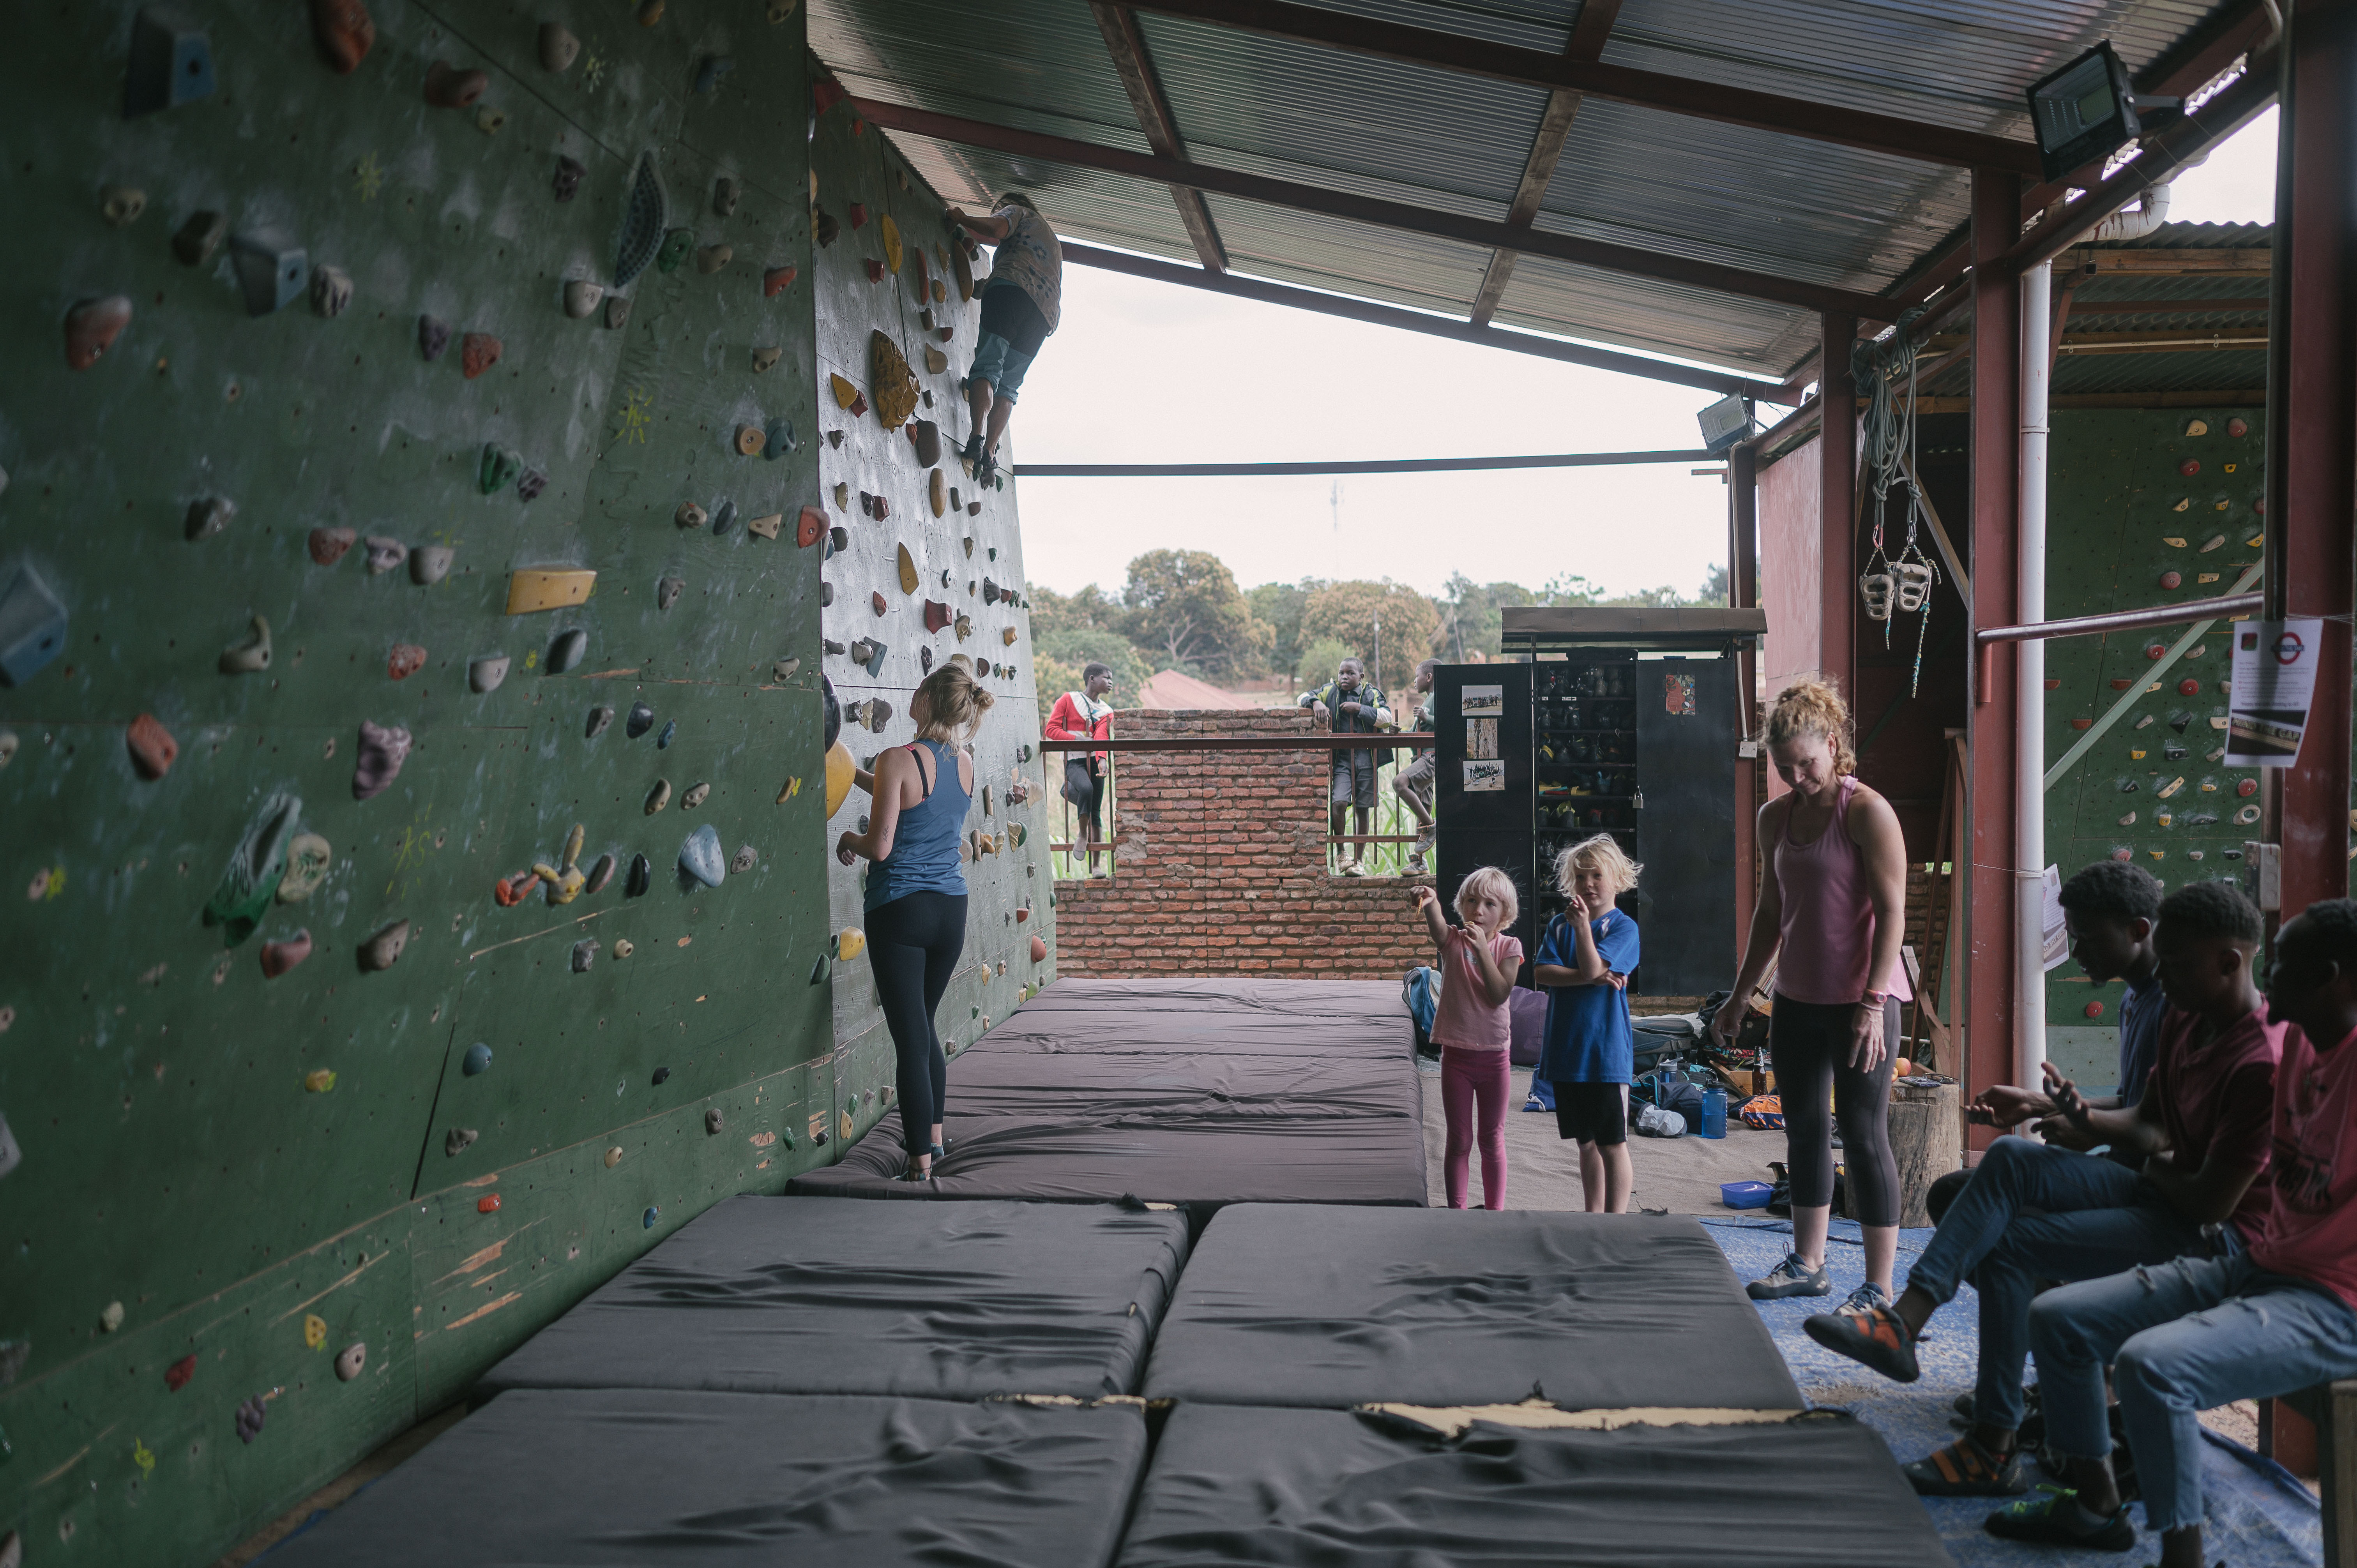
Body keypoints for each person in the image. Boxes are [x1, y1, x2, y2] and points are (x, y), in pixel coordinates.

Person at [1803, 879, 2279, 1497]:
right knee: (2005, 1164)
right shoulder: (2189, 1017)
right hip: (2158, 1189)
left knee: (2002, 1233)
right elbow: (2152, 1120)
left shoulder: (2258, 1060)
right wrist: (2079, 1116)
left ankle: (1993, 1439)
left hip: (2201, 1229)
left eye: (2180, 965)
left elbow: (2204, 1199)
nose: (2170, 977)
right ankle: (1913, 1332)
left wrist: (2120, 1143)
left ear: (2228, 963)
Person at [1994, 898, 2357, 1566]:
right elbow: (2155, 1134)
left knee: (2151, 1365)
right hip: (2258, 1264)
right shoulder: (2301, 1042)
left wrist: (2153, 1161)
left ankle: (2180, 1556)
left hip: (2333, 1303)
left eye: (2281, 964)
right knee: (2057, 1317)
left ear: (2331, 977)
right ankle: (2094, 1507)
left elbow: (2197, 1188)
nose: (2266, 974)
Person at [1709, 677, 1910, 1308]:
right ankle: (1808, 1261)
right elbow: (1770, 913)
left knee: (1861, 1131)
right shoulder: (1776, 819)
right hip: (1796, 999)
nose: (1797, 777)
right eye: (1784, 768)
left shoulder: (1866, 811)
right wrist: (1741, 995)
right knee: (1801, 1130)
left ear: (1832, 743)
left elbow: (1892, 911)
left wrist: (1873, 1002)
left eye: (1808, 764)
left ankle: (1877, 1287)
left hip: (1861, 1001)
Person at [1920, 859, 2167, 1224]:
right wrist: (2039, 1101)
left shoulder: (2173, 1005)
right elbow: (2134, 1101)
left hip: (2153, 1185)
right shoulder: (2134, 998)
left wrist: (2088, 1124)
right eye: (2073, 937)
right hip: (2121, 1166)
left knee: (1982, 1197)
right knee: (1956, 1194)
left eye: (2088, 938)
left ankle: (1934, 1282)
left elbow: (2164, 1128)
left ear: (2138, 930)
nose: (2078, 953)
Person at [835, 665, 993, 1180]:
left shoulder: (897, 760)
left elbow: (879, 845)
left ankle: (919, 1165)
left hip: (900, 912)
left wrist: (848, 842)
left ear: (926, 698)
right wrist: (846, 775)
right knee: (923, 1028)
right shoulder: (964, 763)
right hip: (950, 912)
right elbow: (899, 795)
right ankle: (937, 1141)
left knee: (910, 1040)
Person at [1532, 836, 1641, 1213]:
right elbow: (1542, 972)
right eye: (1581, 877)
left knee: (1612, 1142)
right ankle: (1592, 1215)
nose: (1589, 883)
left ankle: (1617, 1219)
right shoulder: (1560, 927)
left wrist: (1585, 944)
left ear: (1618, 878)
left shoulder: (1624, 928)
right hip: (1568, 1050)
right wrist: (1591, 977)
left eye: (1597, 875)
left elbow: (1595, 966)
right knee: (1586, 1141)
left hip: (1606, 1053)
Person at [1415, 868, 1523, 1210]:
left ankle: (1495, 1212)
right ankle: (1456, 1211)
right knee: (1459, 1139)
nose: (1479, 910)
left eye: (1490, 904)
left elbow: (1499, 994)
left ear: (1503, 913)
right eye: (1473, 902)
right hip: (1456, 1057)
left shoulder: (1509, 947)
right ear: (1463, 906)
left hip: (1494, 1059)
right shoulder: (1454, 942)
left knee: (1491, 1138)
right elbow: (1437, 931)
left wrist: (1484, 952)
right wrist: (1430, 903)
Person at [945, 191, 1060, 484]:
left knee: (988, 367)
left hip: (1010, 290)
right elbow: (1030, 274)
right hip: (1043, 316)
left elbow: (997, 229)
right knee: (1008, 387)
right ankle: (991, 453)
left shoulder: (1019, 212)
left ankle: (977, 436)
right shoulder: (1052, 241)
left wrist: (963, 219)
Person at [1300, 657, 1392, 876]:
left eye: (1350, 673)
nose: (1344, 677)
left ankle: (1359, 862)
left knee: (1363, 809)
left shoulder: (1371, 694)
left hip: (1366, 758)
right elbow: (1302, 696)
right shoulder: (1330, 692)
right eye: (1341, 673)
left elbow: (1387, 717)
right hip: (1342, 759)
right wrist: (1316, 703)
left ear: (1361, 677)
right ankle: (1342, 854)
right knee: (1339, 803)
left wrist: (1360, 708)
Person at [1045, 663, 1114, 874]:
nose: (1111, 682)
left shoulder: (1107, 711)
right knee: (1086, 790)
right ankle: (1082, 835)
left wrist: (1102, 759)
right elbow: (1051, 729)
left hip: (1094, 759)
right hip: (1074, 760)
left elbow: (1102, 735)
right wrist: (1077, 738)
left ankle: (1096, 866)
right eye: (1107, 678)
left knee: (1095, 811)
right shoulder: (1068, 699)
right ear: (1092, 679)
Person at [1393, 660, 1438, 873]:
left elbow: (1451, 722)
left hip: (1430, 758)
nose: (1414, 681)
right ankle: (1420, 863)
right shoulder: (1428, 699)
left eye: (1417, 676)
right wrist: (1398, 734)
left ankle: (1432, 827)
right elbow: (1416, 733)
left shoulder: (1438, 697)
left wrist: (1426, 716)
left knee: (1400, 783)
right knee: (1424, 809)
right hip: (1421, 758)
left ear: (1429, 677)